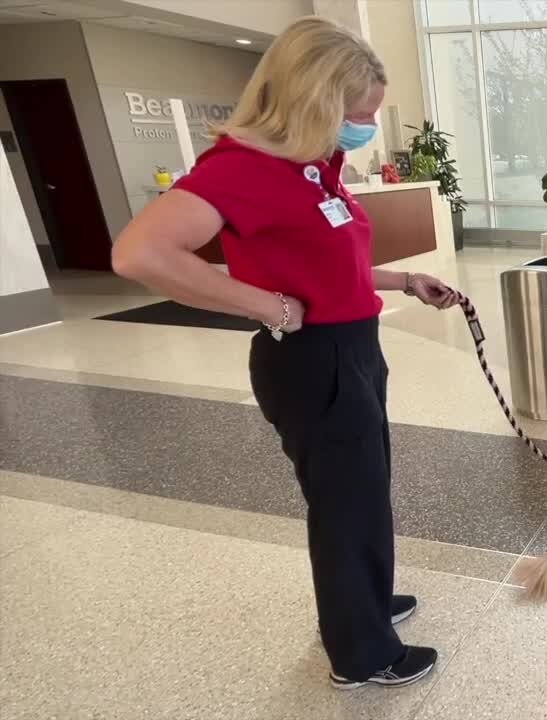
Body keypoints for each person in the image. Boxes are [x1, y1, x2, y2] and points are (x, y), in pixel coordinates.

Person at [111, 17, 455, 690]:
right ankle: (361, 654)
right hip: (311, 360)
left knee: (362, 494)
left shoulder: (312, 167)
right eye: (355, 114)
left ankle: (364, 606)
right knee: (343, 504)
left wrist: (405, 279)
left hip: (353, 346)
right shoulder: (243, 169)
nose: (363, 129)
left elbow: (330, 262)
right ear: (313, 99)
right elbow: (138, 254)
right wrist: (263, 305)